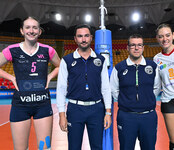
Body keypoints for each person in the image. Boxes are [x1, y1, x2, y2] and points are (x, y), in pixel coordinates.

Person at [0, 16, 60, 150]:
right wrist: (11, 78)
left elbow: (60, 66)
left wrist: (50, 76)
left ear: (39, 31)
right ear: (22, 31)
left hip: (42, 104)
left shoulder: (47, 50)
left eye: (35, 28)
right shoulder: (12, 50)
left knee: (45, 148)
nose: (31, 31)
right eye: (27, 27)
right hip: (20, 105)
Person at [56, 24, 112, 150]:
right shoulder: (67, 60)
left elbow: (106, 88)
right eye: (80, 36)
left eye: (86, 36)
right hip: (75, 109)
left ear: (91, 37)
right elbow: (61, 88)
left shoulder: (101, 60)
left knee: (97, 146)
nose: (83, 39)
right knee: (74, 147)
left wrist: (108, 112)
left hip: (97, 109)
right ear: (75, 39)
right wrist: (61, 115)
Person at [110, 34, 158, 150]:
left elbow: (156, 89)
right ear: (127, 48)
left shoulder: (152, 66)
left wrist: (145, 100)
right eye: (133, 45)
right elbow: (114, 90)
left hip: (148, 116)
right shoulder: (119, 68)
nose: (136, 48)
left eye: (139, 45)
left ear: (143, 47)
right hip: (126, 117)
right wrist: (127, 101)